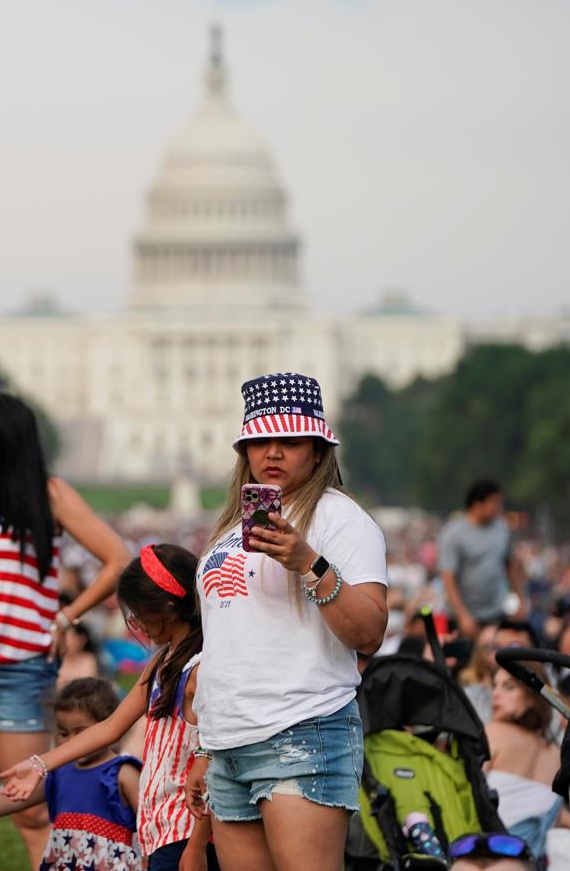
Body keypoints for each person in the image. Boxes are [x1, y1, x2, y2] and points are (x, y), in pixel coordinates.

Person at [185, 372, 388, 871]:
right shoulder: (233, 527)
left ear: (318, 451)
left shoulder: (340, 520)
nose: (272, 452)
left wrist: (308, 563)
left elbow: (369, 633)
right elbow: (229, 640)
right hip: (230, 741)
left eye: (290, 441)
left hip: (303, 730)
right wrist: (205, 743)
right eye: (260, 440)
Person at [0, 391, 131, 871]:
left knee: (27, 807)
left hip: (20, 668)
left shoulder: (48, 495)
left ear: (5, 434)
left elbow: (118, 560)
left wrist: (68, 617)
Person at [0, 544, 218, 871]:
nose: (135, 624)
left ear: (168, 608)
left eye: (138, 614)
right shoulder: (161, 663)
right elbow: (110, 728)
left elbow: (213, 760)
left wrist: (198, 845)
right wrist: (39, 764)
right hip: (160, 829)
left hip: (188, 833)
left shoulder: (198, 672)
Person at [0, 678, 143, 870]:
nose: (70, 742)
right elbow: (15, 798)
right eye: (63, 733)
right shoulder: (58, 773)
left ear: (105, 728)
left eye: (81, 732)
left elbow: (148, 821)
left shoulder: (122, 773)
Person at [484, 666, 565, 856]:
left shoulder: (493, 732)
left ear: (531, 697)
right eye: (494, 686)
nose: (496, 694)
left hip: (488, 858)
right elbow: (557, 820)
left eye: (508, 687)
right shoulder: (558, 755)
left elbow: (463, 794)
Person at [439, 480, 522, 639]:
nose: (499, 508)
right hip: (463, 616)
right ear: (478, 504)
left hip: (496, 613)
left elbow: (510, 566)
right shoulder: (454, 533)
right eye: (495, 502)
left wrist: (521, 599)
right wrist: (463, 615)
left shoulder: (502, 529)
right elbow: (448, 578)